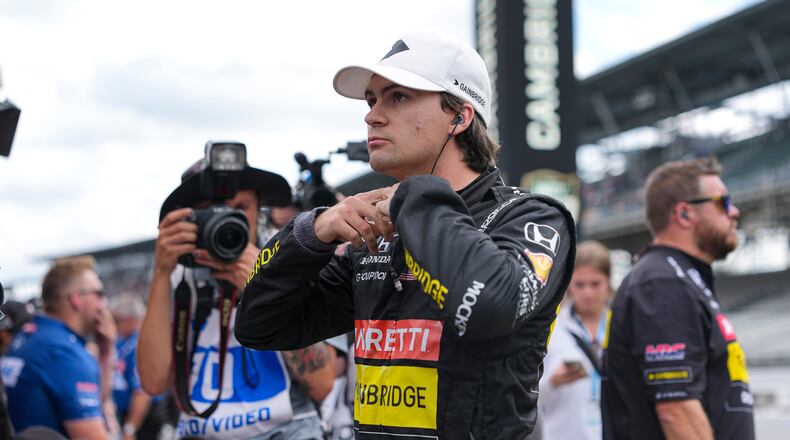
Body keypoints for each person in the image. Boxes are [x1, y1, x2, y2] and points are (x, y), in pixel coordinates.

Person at [236, 32, 576, 439]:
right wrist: (312, 232)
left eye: (396, 97)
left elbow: (489, 306)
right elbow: (259, 326)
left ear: (460, 117)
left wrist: (415, 196)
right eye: (371, 100)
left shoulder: (528, 216)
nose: (372, 116)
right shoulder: (377, 233)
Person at [137, 153, 337, 439]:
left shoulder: (292, 264)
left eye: (240, 208)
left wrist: (266, 287)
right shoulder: (177, 279)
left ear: (259, 210)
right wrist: (161, 272)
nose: (227, 220)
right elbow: (153, 383)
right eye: (211, 210)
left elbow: (322, 382)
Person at [601, 157, 754, 440]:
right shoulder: (663, 283)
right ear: (684, 214)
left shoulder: (678, 276)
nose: (734, 211)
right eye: (723, 202)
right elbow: (677, 410)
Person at [1, 256, 116, 439]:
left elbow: (92, 402)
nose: (104, 303)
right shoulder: (63, 352)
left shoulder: (29, 334)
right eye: (99, 294)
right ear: (76, 299)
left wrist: (106, 352)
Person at [538, 241, 612, 440]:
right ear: (569, 284)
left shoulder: (622, 325)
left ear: (608, 281)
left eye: (595, 284)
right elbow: (530, 396)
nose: (588, 293)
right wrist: (552, 382)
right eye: (580, 284)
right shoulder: (551, 329)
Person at [109, 293, 152, 440]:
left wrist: (130, 428)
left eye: (116, 321)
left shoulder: (139, 345)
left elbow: (142, 393)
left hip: (142, 419)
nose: (113, 325)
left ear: (130, 320)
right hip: (122, 412)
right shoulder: (122, 341)